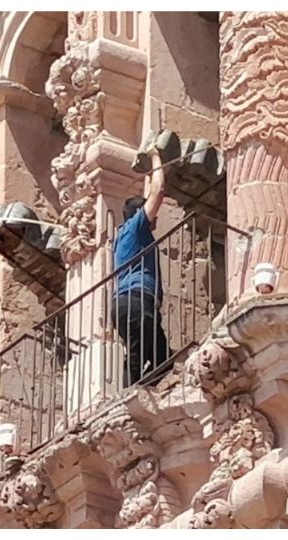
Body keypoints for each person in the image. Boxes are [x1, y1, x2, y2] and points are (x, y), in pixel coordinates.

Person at [112, 148, 169, 386]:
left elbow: (149, 194)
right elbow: (158, 191)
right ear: (138, 214)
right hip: (137, 301)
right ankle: (131, 397)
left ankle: (136, 390)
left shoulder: (125, 234)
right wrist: (157, 157)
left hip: (126, 304)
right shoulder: (136, 227)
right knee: (146, 356)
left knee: (154, 356)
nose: (155, 218)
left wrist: (146, 168)